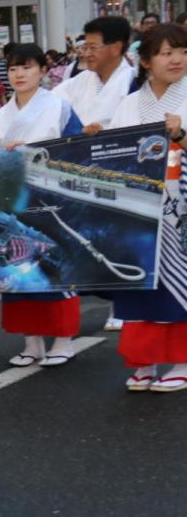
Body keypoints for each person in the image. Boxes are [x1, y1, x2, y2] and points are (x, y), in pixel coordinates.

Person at [0, 43, 84, 367]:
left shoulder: (59, 107)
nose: (19, 74)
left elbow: (78, 149)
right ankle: (32, 341)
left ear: (43, 70)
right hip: (13, 200)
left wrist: (35, 150)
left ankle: (64, 340)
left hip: (52, 198)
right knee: (18, 269)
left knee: (55, 269)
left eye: (26, 67)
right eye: (13, 68)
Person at [106, 23, 187, 392]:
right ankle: (145, 361)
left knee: (178, 285)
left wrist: (182, 136)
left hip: (180, 208)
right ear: (145, 61)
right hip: (141, 208)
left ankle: (182, 361)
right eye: (167, 52)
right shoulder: (129, 104)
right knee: (142, 288)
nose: (177, 59)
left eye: (183, 51)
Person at [54, 17, 135, 135]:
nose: (87, 54)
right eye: (86, 47)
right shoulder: (79, 81)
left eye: (93, 48)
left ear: (116, 48)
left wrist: (104, 132)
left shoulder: (133, 82)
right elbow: (52, 103)